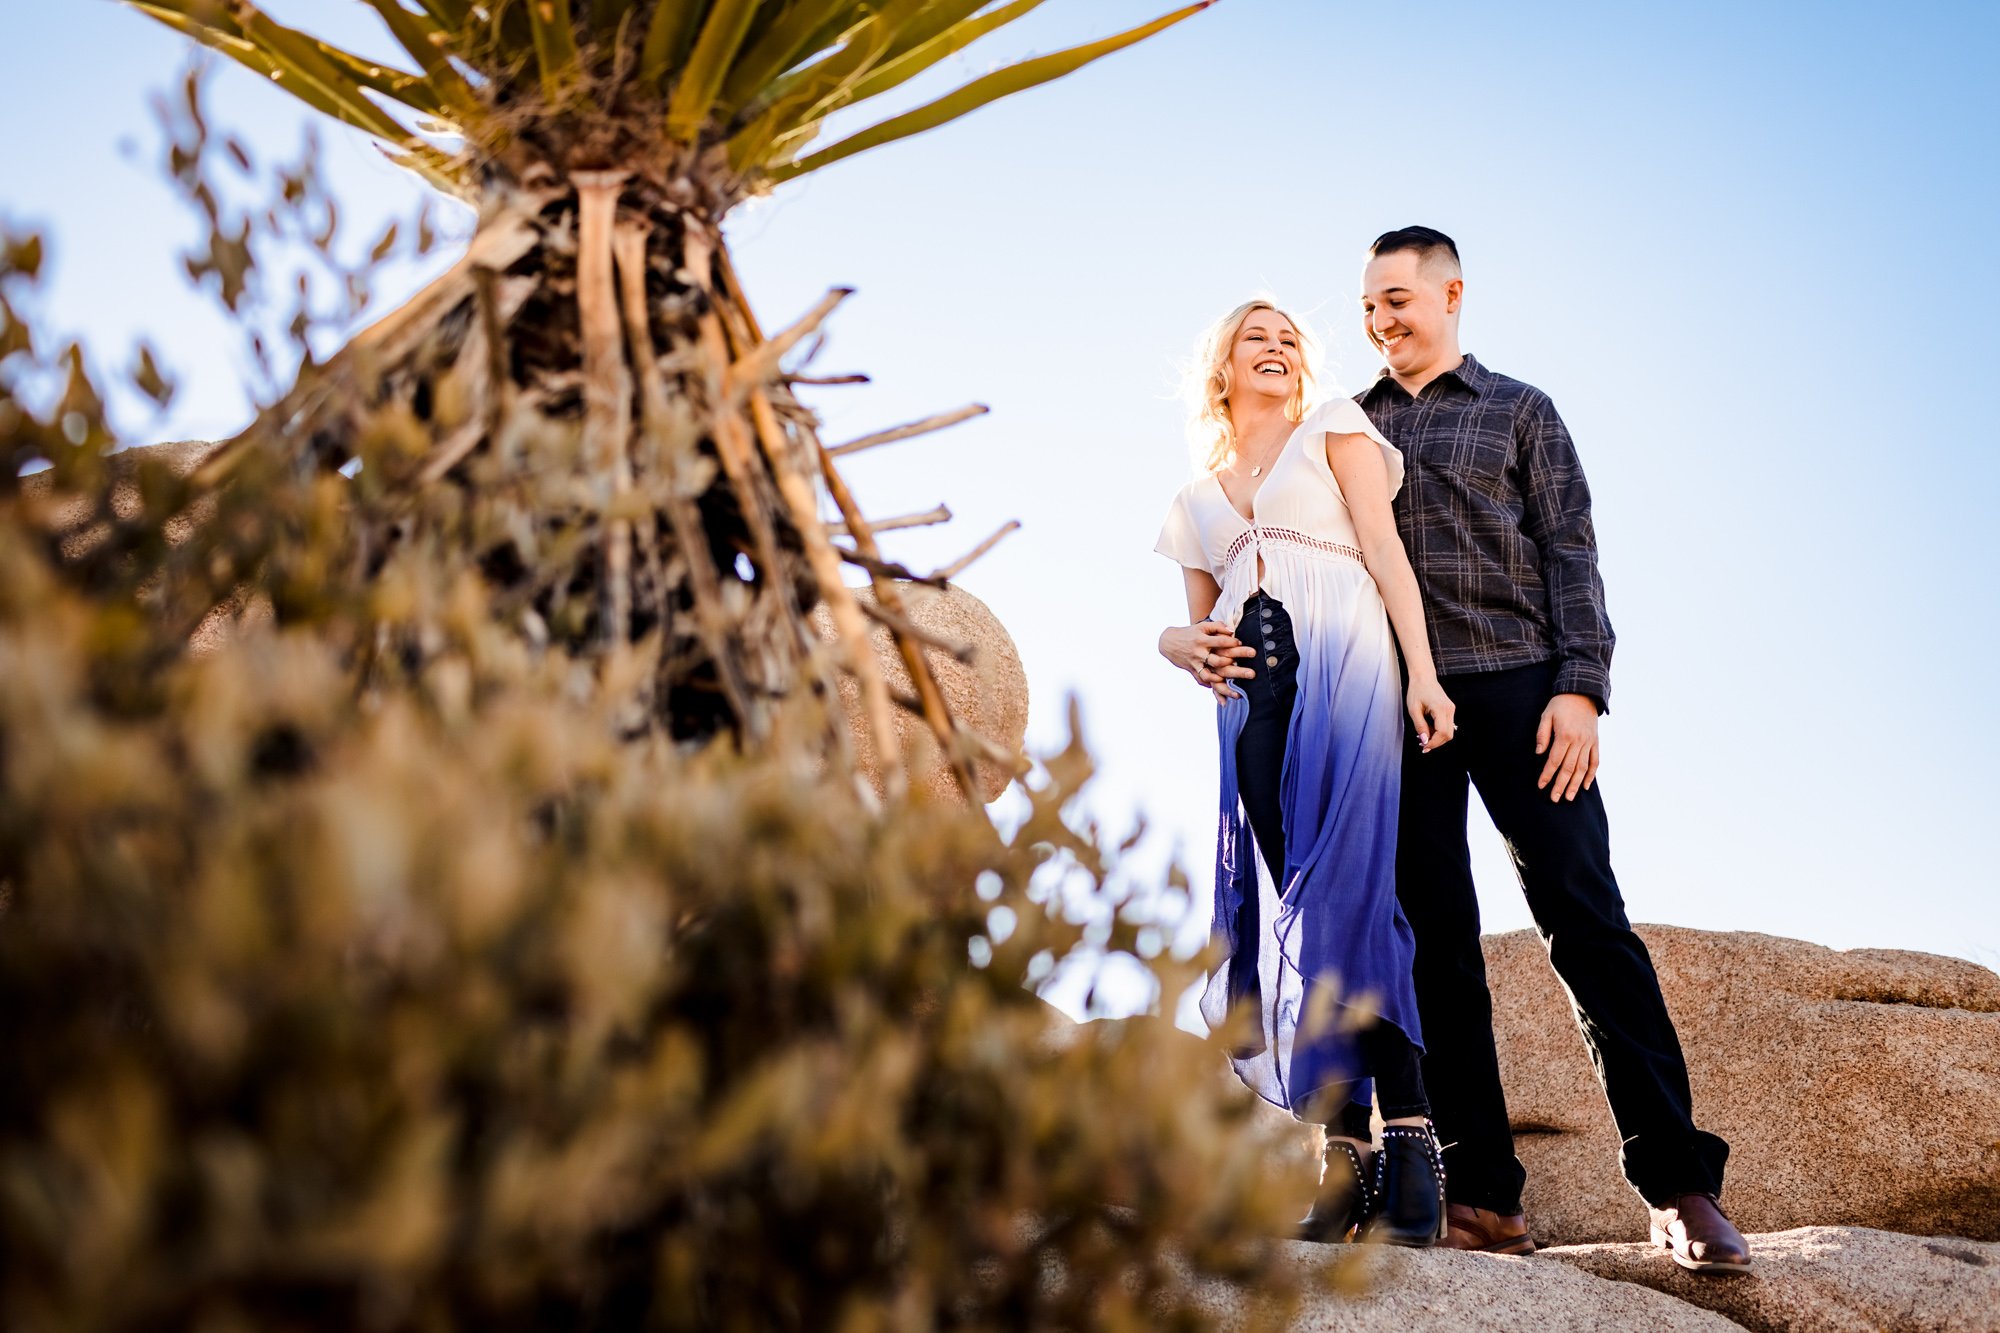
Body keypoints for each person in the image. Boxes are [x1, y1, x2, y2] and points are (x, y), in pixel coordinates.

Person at [1352, 226, 1749, 1273]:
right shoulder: (1346, 428)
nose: (1382, 318)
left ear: (1450, 296)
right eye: (1367, 306)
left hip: (1525, 687)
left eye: (1398, 298)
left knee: (1583, 918)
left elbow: (1570, 549)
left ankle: (1679, 1186)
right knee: (1434, 942)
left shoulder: (1519, 409)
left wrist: (1580, 690)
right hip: (1405, 708)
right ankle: (1480, 1195)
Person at [1153, 299, 1456, 1246]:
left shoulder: (1336, 429)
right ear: (1224, 370)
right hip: (1254, 714)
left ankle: (1412, 1148)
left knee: (1354, 900)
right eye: (1258, 337)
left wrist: (1425, 674)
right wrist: (1174, 642)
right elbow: (1195, 625)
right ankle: (1343, 1160)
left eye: (1290, 338)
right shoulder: (1198, 497)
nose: (1278, 348)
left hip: (1350, 669)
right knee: (1291, 916)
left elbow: (1386, 552)